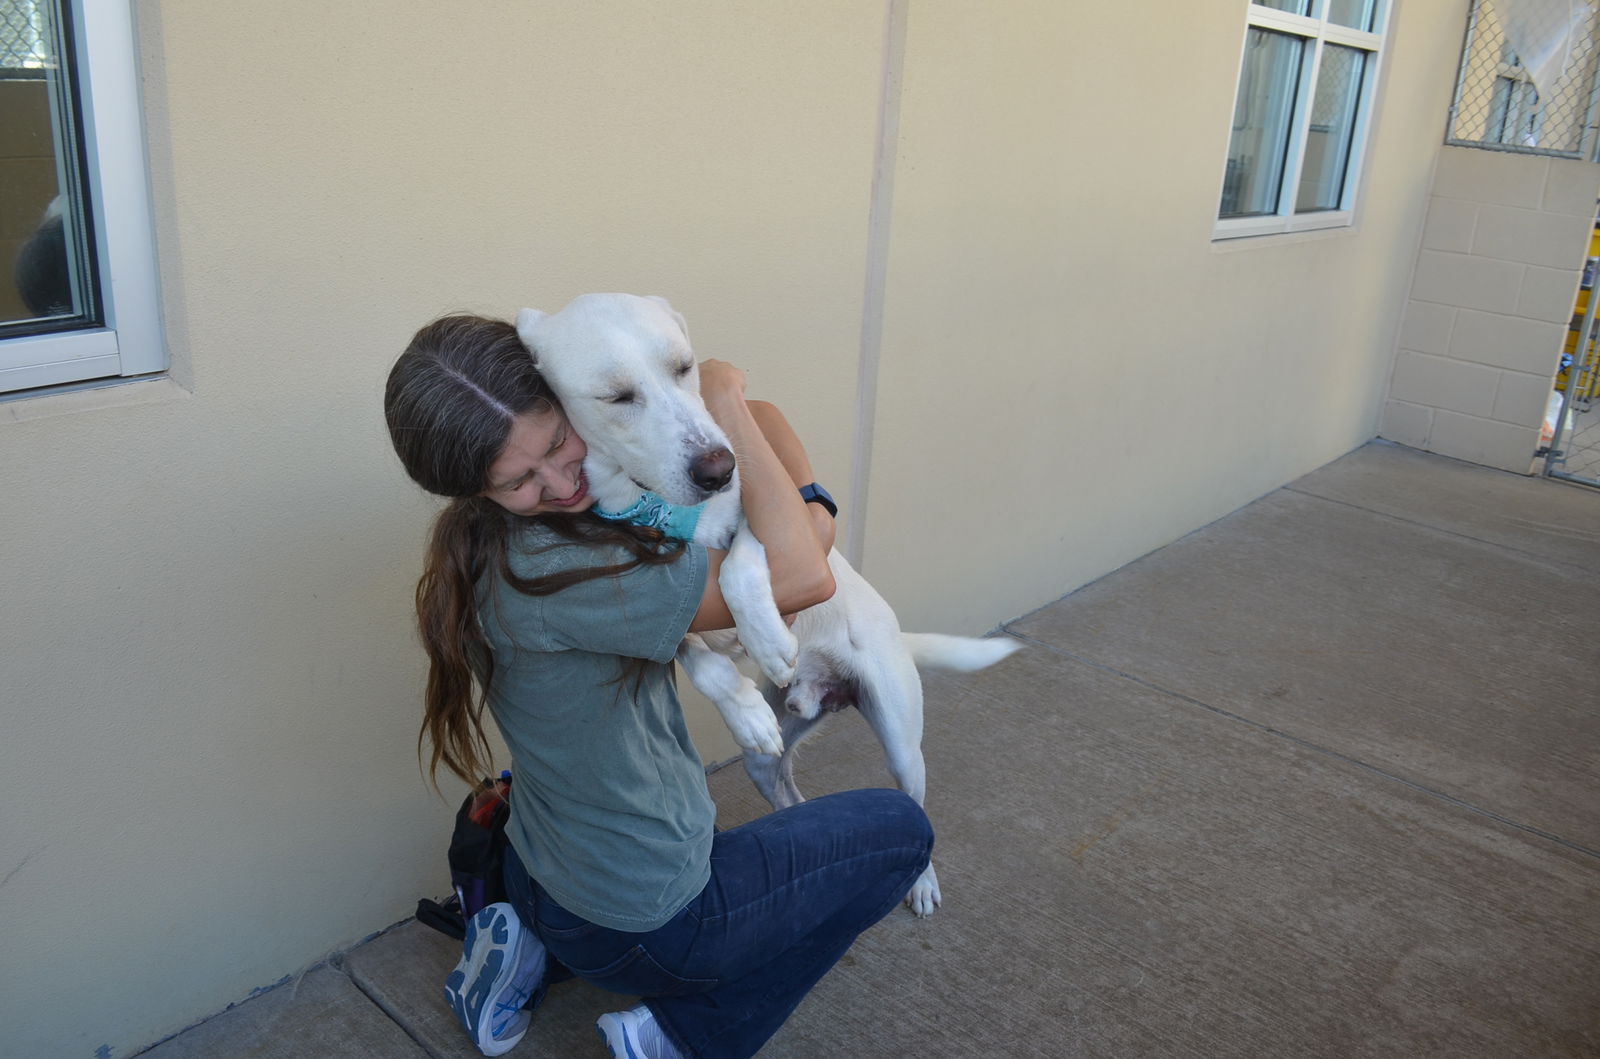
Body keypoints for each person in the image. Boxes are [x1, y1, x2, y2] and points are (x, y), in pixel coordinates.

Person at [384, 314, 934, 1059]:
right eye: (520, 479)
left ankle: (520, 936)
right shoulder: (573, 567)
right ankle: (675, 1034)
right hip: (647, 921)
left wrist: (710, 396)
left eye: (556, 445)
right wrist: (730, 402)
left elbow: (756, 428)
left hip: (542, 867)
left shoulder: (487, 538)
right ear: (474, 485)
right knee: (902, 833)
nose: (561, 481)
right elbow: (805, 570)